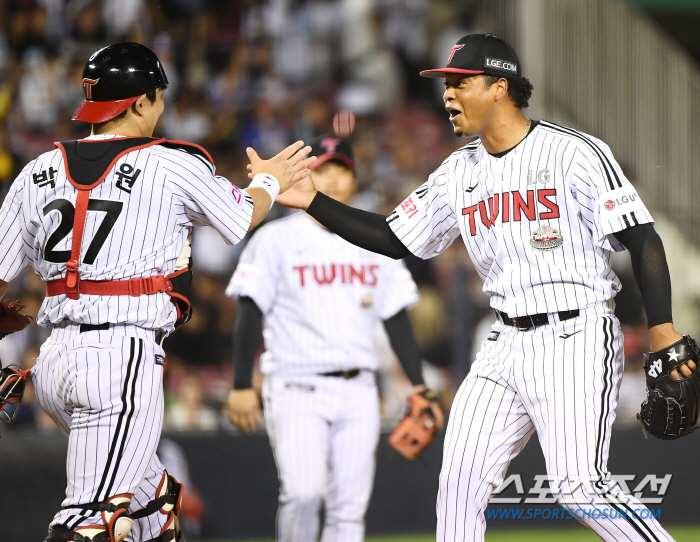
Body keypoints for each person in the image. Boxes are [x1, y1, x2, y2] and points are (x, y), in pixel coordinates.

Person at [272, 34, 693, 541]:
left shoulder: (573, 152)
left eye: (460, 83)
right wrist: (314, 201)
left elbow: (642, 237)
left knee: (579, 486)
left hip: (575, 333)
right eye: (446, 84)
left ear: (499, 87)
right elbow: (392, 237)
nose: (447, 95)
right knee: (458, 485)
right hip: (502, 343)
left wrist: (663, 327)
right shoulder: (458, 172)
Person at [0, 42, 314, 542]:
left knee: (153, 512)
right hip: (119, 359)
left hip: (52, 365)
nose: (162, 108)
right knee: (90, 522)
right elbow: (238, 218)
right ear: (141, 102)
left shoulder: (37, 172)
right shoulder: (169, 163)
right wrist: (270, 183)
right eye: (159, 98)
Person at [225, 136, 444, 542]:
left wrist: (418, 385)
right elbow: (249, 311)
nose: (332, 178)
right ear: (306, 176)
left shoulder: (373, 240)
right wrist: (241, 384)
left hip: (359, 389)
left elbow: (396, 318)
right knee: (303, 495)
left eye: (340, 170)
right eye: (323, 169)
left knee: (349, 510)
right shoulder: (275, 239)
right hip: (295, 384)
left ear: (354, 181)